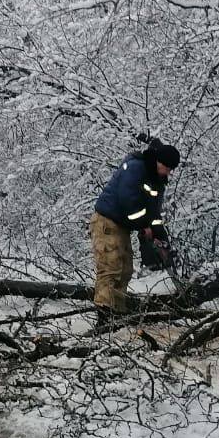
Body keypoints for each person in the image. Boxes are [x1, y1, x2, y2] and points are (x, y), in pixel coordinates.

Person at [90, 138, 179, 325]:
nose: (168, 172)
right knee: (111, 267)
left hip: (123, 226)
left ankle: (118, 313)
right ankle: (105, 317)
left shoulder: (157, 180)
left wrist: (159, 236)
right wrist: (143, 225)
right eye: (167, 168)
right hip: (107, 221)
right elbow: (128, 200)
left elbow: (154, 212)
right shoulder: (135, 167)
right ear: (158, 161)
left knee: (125, 269)